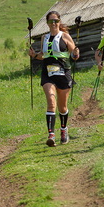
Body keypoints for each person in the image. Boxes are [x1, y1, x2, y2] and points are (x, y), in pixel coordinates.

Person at [28, 11, 80, 147]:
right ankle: (51, 135)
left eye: (56, 21)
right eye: (51, 21)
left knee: (62, 107)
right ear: (47, 23)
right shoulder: (44, 38)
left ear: (59, 21)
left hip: (63, 73)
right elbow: (43, 55)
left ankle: (64, 130)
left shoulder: (65, 36)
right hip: (48, 73)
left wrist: (75, 53)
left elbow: (74, 56)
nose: (53, 23)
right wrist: (34, 55)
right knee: (51, 102)